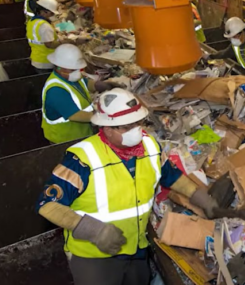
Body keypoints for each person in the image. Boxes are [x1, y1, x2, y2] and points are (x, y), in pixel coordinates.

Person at [36, 88, 218, 284]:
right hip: (94, 257)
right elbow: (47, 205)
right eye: (126, 126)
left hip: (136, 249)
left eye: (137, 123)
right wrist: (93, 230)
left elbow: (171, 176)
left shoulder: (150, 146)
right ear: (106, 128)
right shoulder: (82, 159)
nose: (135, 130)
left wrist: (200, 197)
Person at [40, 44, 118, 144]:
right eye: (73, 70)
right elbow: (76, 115)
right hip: (66, 140)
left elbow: (86, 83)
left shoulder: (70, 77)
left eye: (78, 69)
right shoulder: (56, 90)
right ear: (59, 68)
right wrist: (106, 116)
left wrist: (105, 85)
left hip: (82, 134)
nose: (77, 72)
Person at [28, 0, 72, 73]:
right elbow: (49, 44)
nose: (52, 15)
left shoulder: (32, 21)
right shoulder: (44, 26)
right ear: (44, 11)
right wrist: (64, 41)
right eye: (51, 13)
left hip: (37, 59)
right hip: (46, 62)